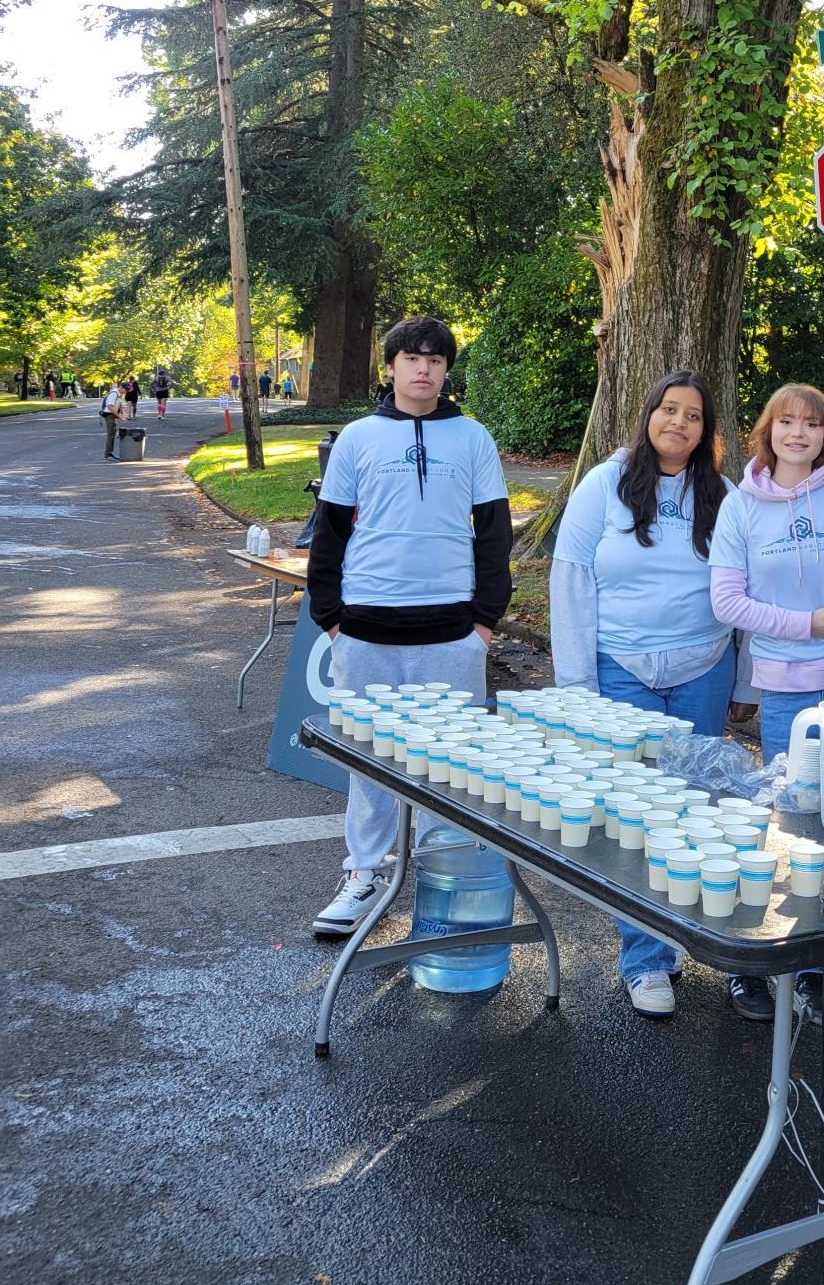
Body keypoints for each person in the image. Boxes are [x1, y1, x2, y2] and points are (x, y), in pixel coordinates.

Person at [308, 315, 516, 944]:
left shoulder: (473, 439)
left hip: (451, 634)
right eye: (412, 358)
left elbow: (495, 534)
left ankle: (436, 879)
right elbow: (331, 532)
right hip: (366, 630)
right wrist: (332, 619)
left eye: (436, 359)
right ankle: (364, 873)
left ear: (447, 370)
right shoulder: (358, 438)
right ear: (390, 366)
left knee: (448, 765)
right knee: (369, 761)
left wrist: (483, 622)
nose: (424, 369)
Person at [551, 370, 748, 1019]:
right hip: (621, 669)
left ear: (705, 430)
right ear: (648, 416)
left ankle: (713, 942)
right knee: (636, 818)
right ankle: (645, 959)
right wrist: (576, 686)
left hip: (703, 667)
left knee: (699, 814)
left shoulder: (722, 493)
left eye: (694, 415)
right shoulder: (604, 485)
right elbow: (572, 579)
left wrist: (742, 681)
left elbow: (746, 585)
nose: (679, 423)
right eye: (669, 410)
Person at [710, 381, 824, 1021]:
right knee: (785, 827)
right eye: (786, 422)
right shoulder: (742, 506)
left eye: (811, 425)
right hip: (785, 686)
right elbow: (727, 603)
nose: (798, 434)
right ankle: (751, 962)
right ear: (767, 429)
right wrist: (808, 623)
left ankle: (814, 966)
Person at [101, 380, 127, 459]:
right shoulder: (114, 394)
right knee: (111, 434)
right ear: (121, 387)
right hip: (109, 415)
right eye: (125, 390)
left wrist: (121, 414)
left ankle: (109, 452)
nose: (125, 392)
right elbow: (110, 406)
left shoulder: (117, 394)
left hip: (111, 415)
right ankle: (108, 453)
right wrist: (119, 416)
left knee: (112, 433)